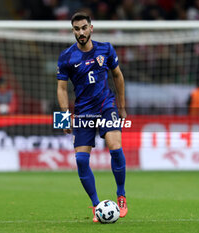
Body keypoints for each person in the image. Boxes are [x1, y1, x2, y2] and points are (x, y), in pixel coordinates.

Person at [56, 12, 128, 222]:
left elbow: (118, 76)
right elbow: (61, 89)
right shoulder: (66, 57)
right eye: (77, 29)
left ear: (91, 28)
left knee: (115, 147)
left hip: (106, 105)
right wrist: (63, 117)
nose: (81, 32)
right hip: (83, 111)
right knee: (80, 160)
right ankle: (97, 206)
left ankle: (121, 195)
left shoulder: (106, 48)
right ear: (73, 31)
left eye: (84, 28)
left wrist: (121, 106)